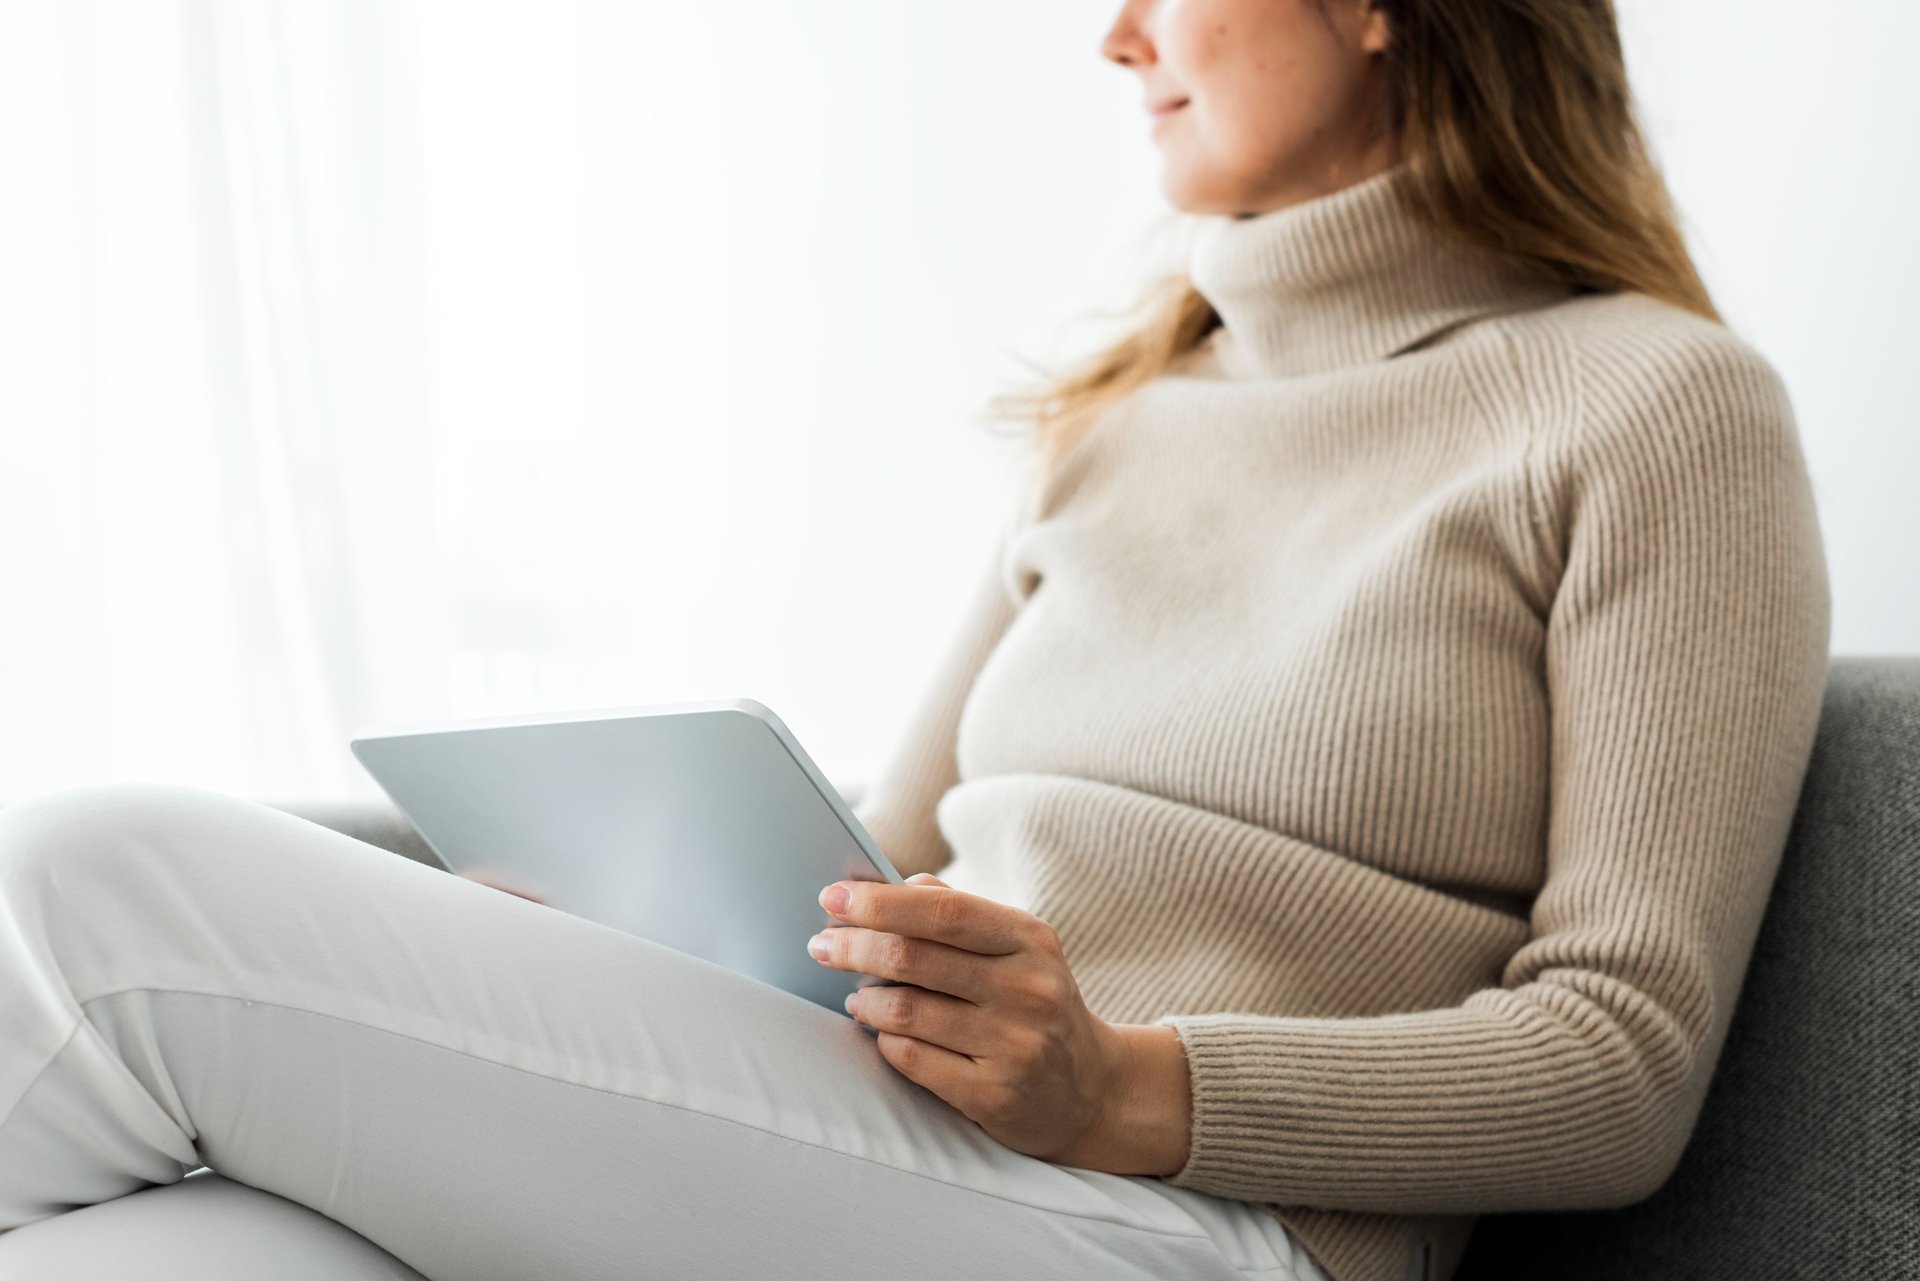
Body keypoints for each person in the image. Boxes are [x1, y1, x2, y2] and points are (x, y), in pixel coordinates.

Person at [0, 0, 1831, 1279]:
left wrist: (1128, 1079)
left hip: (1203, 1229)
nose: (1117, 39)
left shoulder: (1659, 410)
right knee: (149, 1254)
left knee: (97, 878)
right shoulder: (1123, 416)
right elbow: (885, 855)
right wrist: (612, 955)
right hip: (888, 1152)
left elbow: (1622, 1062)